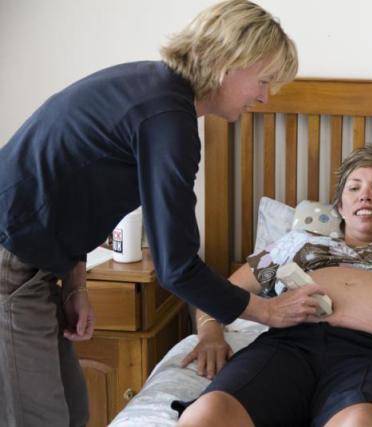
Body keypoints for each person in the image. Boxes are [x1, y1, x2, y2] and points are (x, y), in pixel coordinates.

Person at [0, 1, 301, 425]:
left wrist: (74, 282)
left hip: (35, 260)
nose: (265, 97)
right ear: (232, 63)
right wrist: (267, 311)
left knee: (72, 412)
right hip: (10, 261)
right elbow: (175, 266)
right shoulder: (166, 118)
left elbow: (68, 190)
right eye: (264, 81)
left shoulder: (149, 88)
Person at [175, 146, 372, 427]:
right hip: (290, 345)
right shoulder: (298, 242)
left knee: (361, 422)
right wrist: (210, 332)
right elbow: (216, 292)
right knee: (208, 413)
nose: (365, 195)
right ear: (339, 207)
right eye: (354, 187)